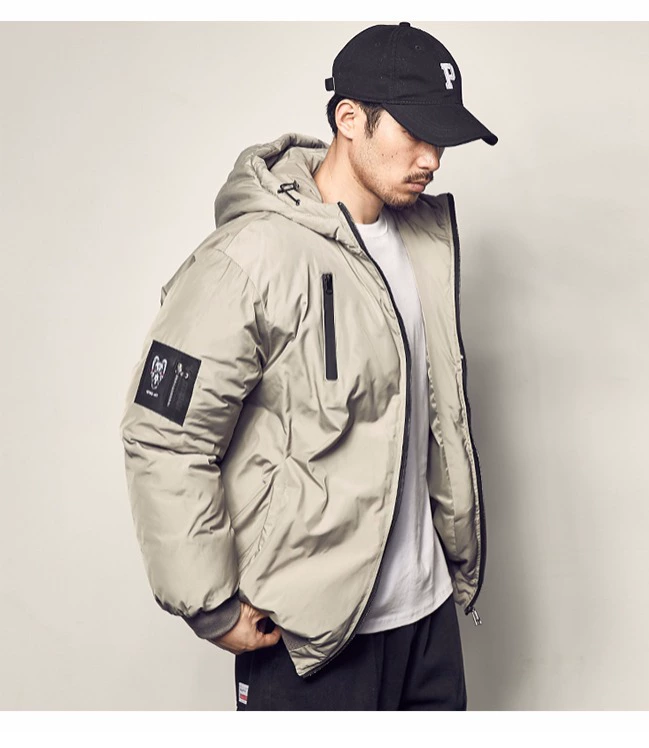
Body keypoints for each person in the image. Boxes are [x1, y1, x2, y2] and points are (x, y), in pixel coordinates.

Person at [119, 21, 494, 711]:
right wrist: (208, 603)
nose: (432, 158)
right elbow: (164, 431)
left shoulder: (426, 243)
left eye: (442, 138)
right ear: (349, 118)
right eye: (415, 132)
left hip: (428, 618)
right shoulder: (252, 254)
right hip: (311, 639)